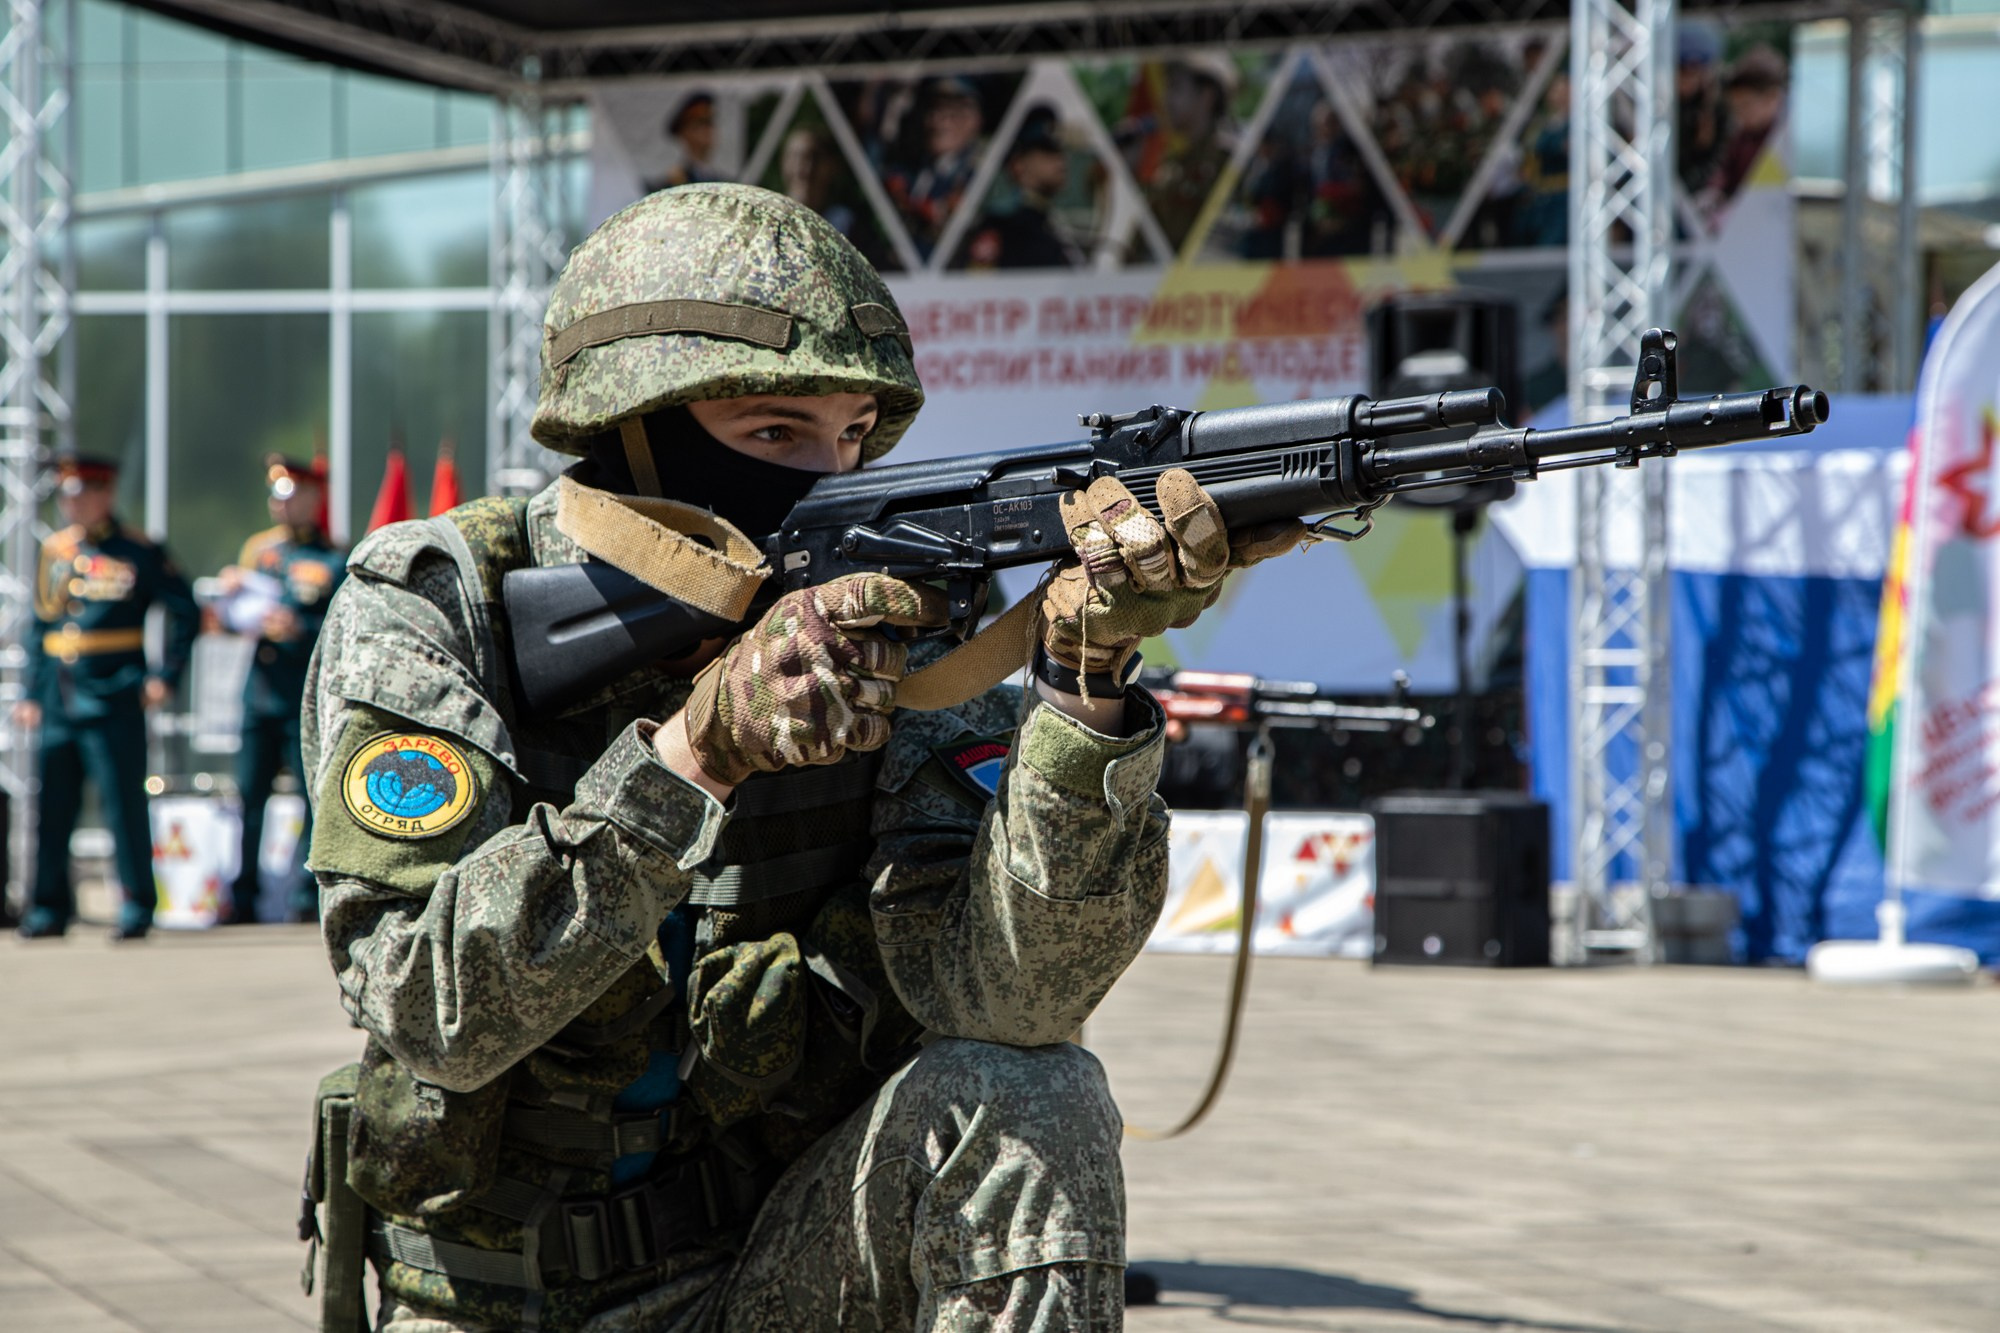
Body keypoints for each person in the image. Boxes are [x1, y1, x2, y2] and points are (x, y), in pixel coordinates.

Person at [298, 182, 1299, 1332]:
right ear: (636, 427)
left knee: (1033, 1095)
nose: (828, 476)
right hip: (494, 1302)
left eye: (853, 435)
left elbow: (1018, 997)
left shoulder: (899, 613)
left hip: (777, 1266)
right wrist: (693, 755)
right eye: (775, 432)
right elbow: (428, 1010)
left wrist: (1082, 689)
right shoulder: (440, 604)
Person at [14, 455, 198, 941]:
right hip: (59, 694)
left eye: (79, 493)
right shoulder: (56, 550)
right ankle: (48, 908)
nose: (71, 503)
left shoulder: (136, 551)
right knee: (52, 805)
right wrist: (31, 693)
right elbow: (41, 627)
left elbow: (186, 611)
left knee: (121, 804)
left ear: (104, 494)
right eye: (66, 494)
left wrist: (165, 676)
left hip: (114, 690)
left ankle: (137, 906)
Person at [216, 455, 344, 923]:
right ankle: (242, 895)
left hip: (303, 696)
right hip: (260, 693)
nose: (281, 507)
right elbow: (230, 619)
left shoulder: (332, 559)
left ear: (313, 499)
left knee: (312, 798)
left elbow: (339, 629)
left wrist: (299, 627)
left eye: (292, 497)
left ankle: (306, 898)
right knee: (249, 798)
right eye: (276, 498)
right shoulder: (260, 553)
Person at [957, 106, 1083, 270]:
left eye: (1060, 152)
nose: (1061, 161)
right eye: (1047, 152)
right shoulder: (1001, 229)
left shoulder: (1053, 225)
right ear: (1018, 165)